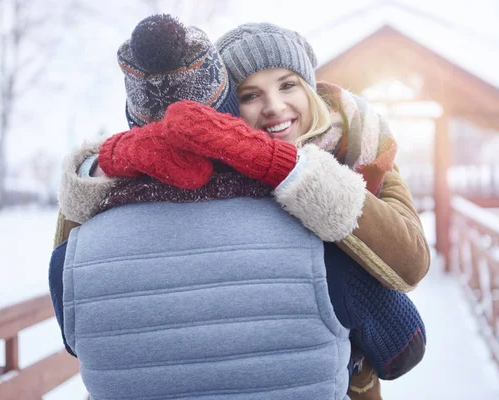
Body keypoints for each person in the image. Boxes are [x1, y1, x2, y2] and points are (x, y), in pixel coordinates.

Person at [51, 16, 427, 400]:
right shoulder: (287, 220)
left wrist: (283, 165)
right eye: (250, 95)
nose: (274, 106)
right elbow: (402, 346)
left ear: (310, 88)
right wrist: (102, 164)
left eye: (288, 84)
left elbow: (411, 262)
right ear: (226, 112)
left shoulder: (365, 149)